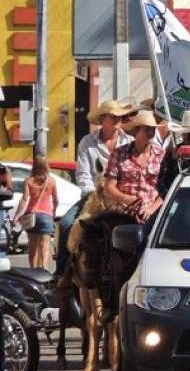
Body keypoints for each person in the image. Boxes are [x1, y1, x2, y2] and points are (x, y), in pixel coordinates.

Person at [56, 99, 135, 276]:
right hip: (94, 195)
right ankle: (62, 272)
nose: (117, 121)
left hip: (121, 195)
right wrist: (94, 194)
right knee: (66, 223)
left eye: (120, 118)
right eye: (113, 117)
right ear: (103, 119)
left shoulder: (129, 142)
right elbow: (83, 174)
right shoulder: (87, 142)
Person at [104, 110, 167, 225]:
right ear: (136, 130)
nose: (151, 133)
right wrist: (128, 199)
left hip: (151, 215)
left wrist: (152, 208)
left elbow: (167, 189)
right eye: (147, 129)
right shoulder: (119, 153)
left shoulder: (161, 155)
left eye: (153, 129)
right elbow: (108, 187)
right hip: (123, 213)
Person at [13, 157, 58, 269]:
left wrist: (17, 216)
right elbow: (56, 200)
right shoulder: (51, 181)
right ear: (46, 166)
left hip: (31, 216)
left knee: (32, 247)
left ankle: (32, 272)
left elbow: (24, 199)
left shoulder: (28, 181)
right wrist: (53, 213)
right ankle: (43, 271)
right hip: (46, 216)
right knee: (45, 246)